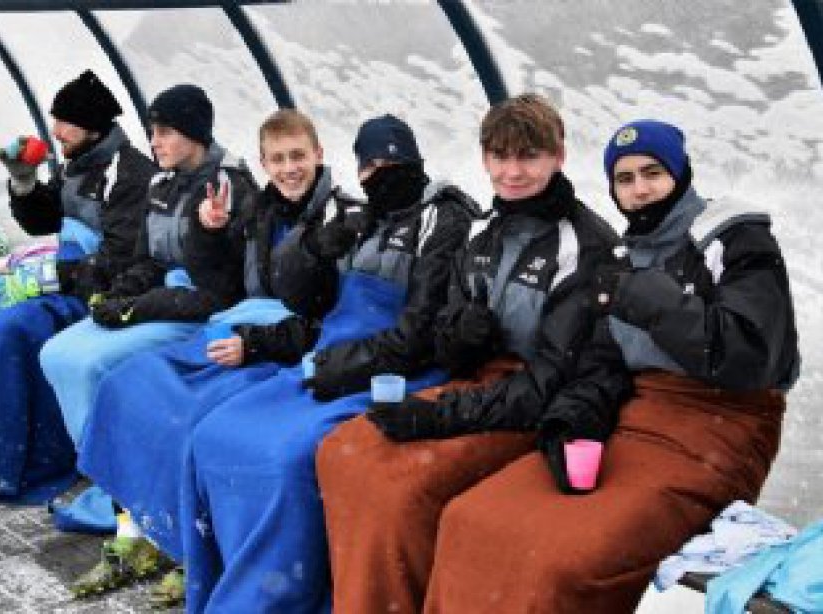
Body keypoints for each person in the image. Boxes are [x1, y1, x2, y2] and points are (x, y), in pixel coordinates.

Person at [422, 119, 800, 613]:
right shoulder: (622, 258)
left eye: (652, 173)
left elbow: (751, 356)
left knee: (564, 560)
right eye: (625, 179)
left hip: (719, 427)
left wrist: (651, 299)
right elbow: (601, 365)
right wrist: (571, 422)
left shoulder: (732, 238)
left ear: (680, 172)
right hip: (636, 417)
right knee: (470, 518)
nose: (640, 190)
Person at [315, 93, 623, 613]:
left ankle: (400, 601)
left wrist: (435, 416)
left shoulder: (586, 246)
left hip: (533, 405)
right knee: (342, 453)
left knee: (399, 488)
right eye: (500, 157)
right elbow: (445, 344)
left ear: (559, 157)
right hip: (478, 390)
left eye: (529, 156)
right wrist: (460, 336)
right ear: (484, 158)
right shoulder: (482, 232)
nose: (512, 172)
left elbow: (551, 379)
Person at [178, 114, 479, 613]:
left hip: (382, 372)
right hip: (331, 356)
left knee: (286, 457)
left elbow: (416, 335)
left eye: (395, 164)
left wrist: (329, 368)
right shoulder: (362, 220)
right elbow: (309, 308)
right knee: (213, 431)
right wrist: (313, 249)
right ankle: (228, 574)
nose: (382, 175)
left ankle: (285, 592)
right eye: (371, 166)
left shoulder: (442, 221)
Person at [72, 109, 358, 604]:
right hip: (241, 325)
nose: (289, 169)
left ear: (319, 154)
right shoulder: (260, 209)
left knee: (192, 417)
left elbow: (334, 317)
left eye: (298, 156)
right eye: (278, 159)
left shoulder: (343, 217)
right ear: (264, 164)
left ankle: (190, 548)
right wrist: (208, 233)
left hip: (288, 345)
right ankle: (136, 531)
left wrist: (257, 343)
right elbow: (220, 286)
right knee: (127, 385)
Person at [0, 70, 154, 501]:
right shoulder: (78, 164)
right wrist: (24, 182)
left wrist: (50, 277)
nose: (55, 131)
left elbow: (120, 261)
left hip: (98, 292)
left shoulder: (129, 174)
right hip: (66, 276)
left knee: (6, 331)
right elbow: (43, 220)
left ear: (92, 127)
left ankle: (0, 459)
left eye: (65, 122)